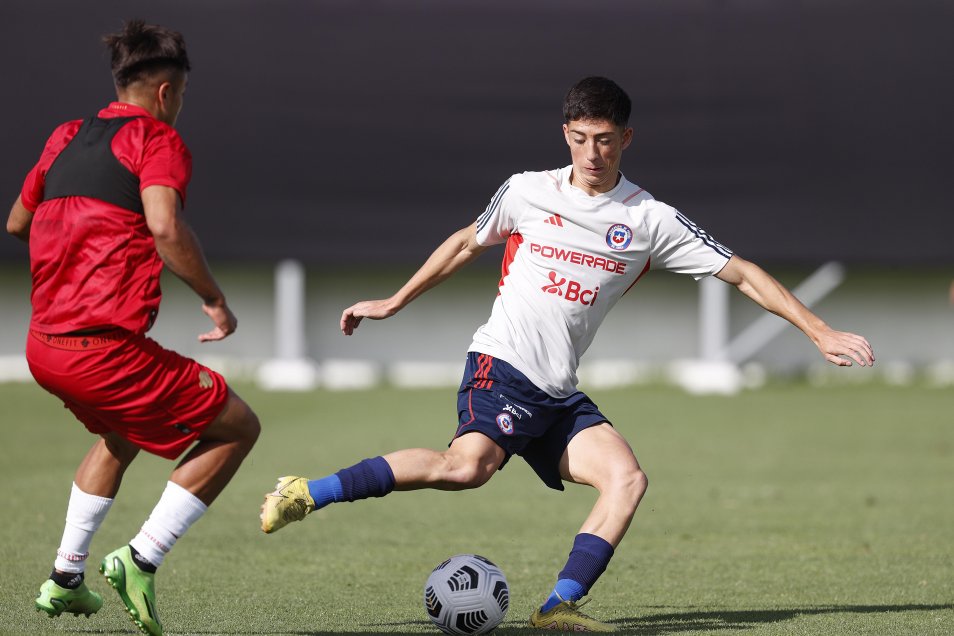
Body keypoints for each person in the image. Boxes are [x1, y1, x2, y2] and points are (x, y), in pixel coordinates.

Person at [260, 76, 874, 632]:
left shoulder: (648, 219)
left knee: (627, 479)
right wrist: (394, 301)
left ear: (626, 138)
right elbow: (465, 244)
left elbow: (740, 273)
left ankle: (556, 610)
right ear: (565, 134)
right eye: (579, 139)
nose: (591, 154)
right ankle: (307, 492)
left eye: (605, 140)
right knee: (466, 468)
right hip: (501, 364)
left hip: (556, 391)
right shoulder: (527, 191)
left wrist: (817, 331)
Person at [6, 20, 260, 636]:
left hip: (44, 346)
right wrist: (214, 299)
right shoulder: (155, 138)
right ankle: (140, 558)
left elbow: (18, 221)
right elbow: (166, 228)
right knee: (237, 428)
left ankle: (66, 580)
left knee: (122, 434)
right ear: (168, 93)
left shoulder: (66, 135)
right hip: (102, 348)